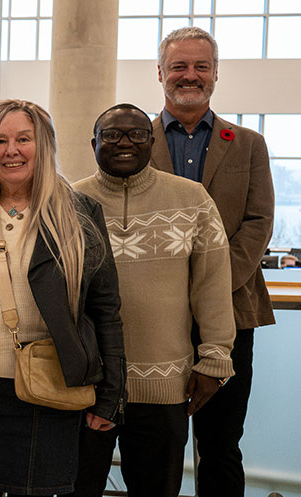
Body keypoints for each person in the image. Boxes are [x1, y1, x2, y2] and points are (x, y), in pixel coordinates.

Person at [0, 99, 126, 497]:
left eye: (23, 139)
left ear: (45, 146)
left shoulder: (79, 214)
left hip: (47, 390)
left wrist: (111, 395)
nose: (11, 150)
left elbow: (106, 309)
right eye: (0, 141)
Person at [69, 103, 236, 497]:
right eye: (111, 135)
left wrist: (214, 358)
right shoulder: (68, 201)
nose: (124, 142)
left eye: (137, 134)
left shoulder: (191, 198)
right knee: (76, 489)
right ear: (93, 143)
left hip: (164, 388)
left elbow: (212, 284)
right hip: (87, 387)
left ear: (152, 141)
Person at [150, 27, 275, 497]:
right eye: (179, 66)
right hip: (154, 316)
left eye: (201, 66)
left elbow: (258, 223)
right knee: (157, 440)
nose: (190, 75)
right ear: (161, 73)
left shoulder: (247, 143)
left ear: (216, 74)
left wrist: (210, 288)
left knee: (221, 442)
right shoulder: (133, 141)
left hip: (232, 311)